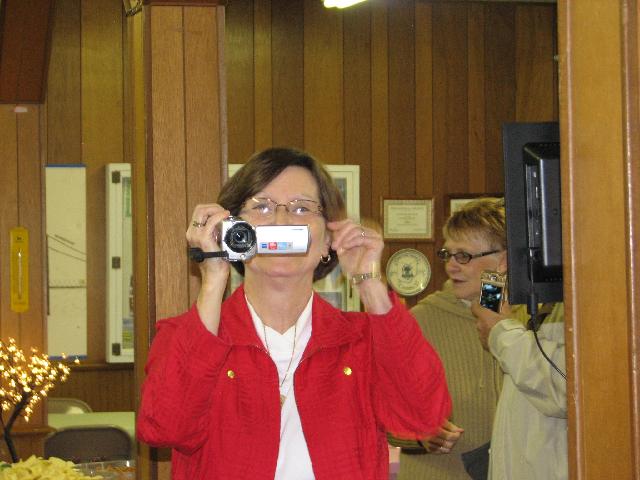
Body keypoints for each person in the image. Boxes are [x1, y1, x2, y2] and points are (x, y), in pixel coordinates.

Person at [136, 147, 451, 480]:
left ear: (328, 239)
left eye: (302, 208)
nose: (281, 221)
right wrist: (213, 276)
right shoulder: (190, 337)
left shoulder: (361, 340)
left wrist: (370, 283)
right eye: (262, 206)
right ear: (232, 232)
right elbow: (163, 428)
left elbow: (424, 416)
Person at [392, 197, 526, 480]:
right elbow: (380, 411)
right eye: (448, 254)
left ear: (503, 261)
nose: (451, 266)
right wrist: (419, 434)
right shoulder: (419, 322)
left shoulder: (536, 321)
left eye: (463, 256)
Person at [472, 289, 566, 479]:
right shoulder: (552, 297)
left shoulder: (590, 293)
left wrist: (502, 335)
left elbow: (567, 385)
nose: (452, 270)